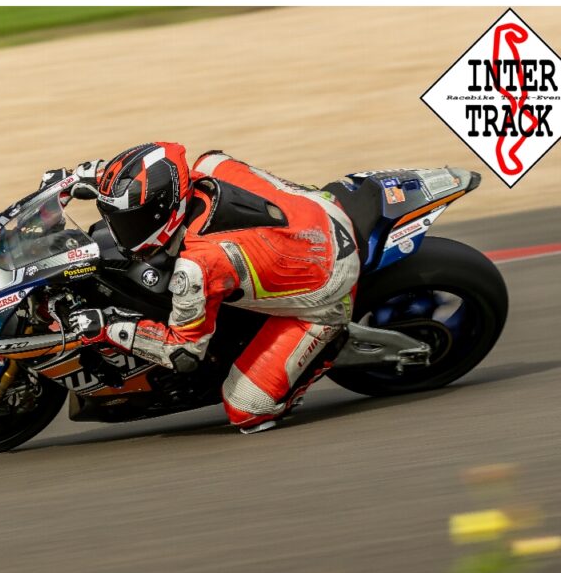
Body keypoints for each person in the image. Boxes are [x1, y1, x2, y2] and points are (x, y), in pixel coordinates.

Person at [62, 142, 360, 434]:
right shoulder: (187, 181)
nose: (121, 230)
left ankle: (332, 341)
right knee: (211, 162)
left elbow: (183, 352)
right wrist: (80, 179)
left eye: (131, 221)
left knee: (246, 409)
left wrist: (110, 326)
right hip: (318, 210)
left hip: (330, 282)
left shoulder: (198, 266)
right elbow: (143, 177)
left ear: (160, 212)